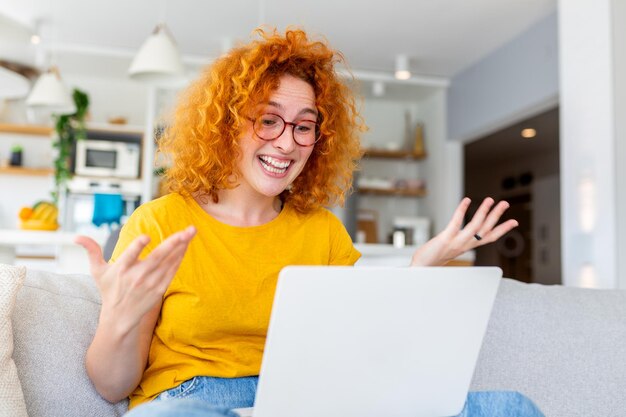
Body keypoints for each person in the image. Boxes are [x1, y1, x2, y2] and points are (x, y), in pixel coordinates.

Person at [76, 28, 545, 417]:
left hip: (304, 401)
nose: (287, 142)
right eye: (267, 120)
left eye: (304, 125)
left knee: (512, 408)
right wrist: (119, 316)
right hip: (192, 401)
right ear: (225, 125)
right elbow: (113, 387)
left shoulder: (322, 230)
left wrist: (419, 271)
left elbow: (363, 345)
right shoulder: (158, 222)